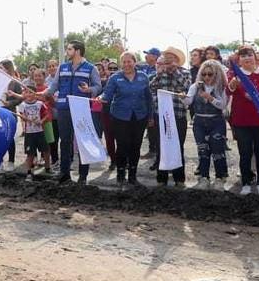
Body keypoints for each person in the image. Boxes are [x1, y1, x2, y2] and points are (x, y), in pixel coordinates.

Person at [227, 45, 259, 195]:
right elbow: (227, 91)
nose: (247, 58)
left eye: (249, 54)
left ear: (255, 57)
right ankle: (246, 182)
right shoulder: (234, 74)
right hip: (241, 121)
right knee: (245, 153)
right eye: (243, 56)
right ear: (239, 60)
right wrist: (232, 85)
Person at [99, 51, 153, 185]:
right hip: (120, 117)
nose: (127, 64)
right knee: (122, 146)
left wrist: (150, 116)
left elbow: (149, 98)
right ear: (121, 63)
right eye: (124, 62)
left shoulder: (144, 77)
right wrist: (99, 98)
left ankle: (133, 175)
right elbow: (107, 95)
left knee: (136, 145)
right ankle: (120, 173)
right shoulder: (115, 78)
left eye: (129, 61)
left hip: (140, 116)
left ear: (135, 62)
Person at [54, 39, 102, 184]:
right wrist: (45, 93)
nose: (67, 52)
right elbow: (54, 85)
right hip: (63, 109)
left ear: (78, 51)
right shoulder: (62, 67)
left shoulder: (91, 68)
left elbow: (98, 86)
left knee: (82, 142)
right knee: (65, 141)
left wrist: (89, 90)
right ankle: (64, 174)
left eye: (69, 49)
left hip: (81, 109)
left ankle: (83, 176)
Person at [148, 47, 190, 186]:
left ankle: (179, 179)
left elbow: (186, 86)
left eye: (172, 58)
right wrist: (159, 74)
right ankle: (162, 178)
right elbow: (151, 89)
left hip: (178, 114)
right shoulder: (160, 73)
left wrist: (175, 71)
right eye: (167, 58)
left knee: (178, 146)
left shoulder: (185, 72)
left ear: (177, 60)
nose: (169, 60)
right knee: (162, 146)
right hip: (163, 115)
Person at [186, 59, 230, 190]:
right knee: (202, 150)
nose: (206, 77)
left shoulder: (221, 87)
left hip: (216, 121)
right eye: (204, 74)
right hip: (199, 121)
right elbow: (188, 102)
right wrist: (182, 97)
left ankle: (220, 177)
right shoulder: (195, 86)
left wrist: (209, 98)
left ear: (216, 74)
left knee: (217, 149)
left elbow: (223, 105)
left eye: (210, 74)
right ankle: (204, 177)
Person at [17, 84, 52, 179]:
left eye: (30, 92)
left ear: (35, 93)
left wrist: (41, 121)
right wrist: (24, 118)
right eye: (26, 92)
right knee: (30, 153)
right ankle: (29, 172)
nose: (28, 94)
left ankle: (48, 168)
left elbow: (47, 115)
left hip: (40, 131)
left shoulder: (40, 104)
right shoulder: (22, 105)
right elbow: (22, 117)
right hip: (29, 133)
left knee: (46, 150)